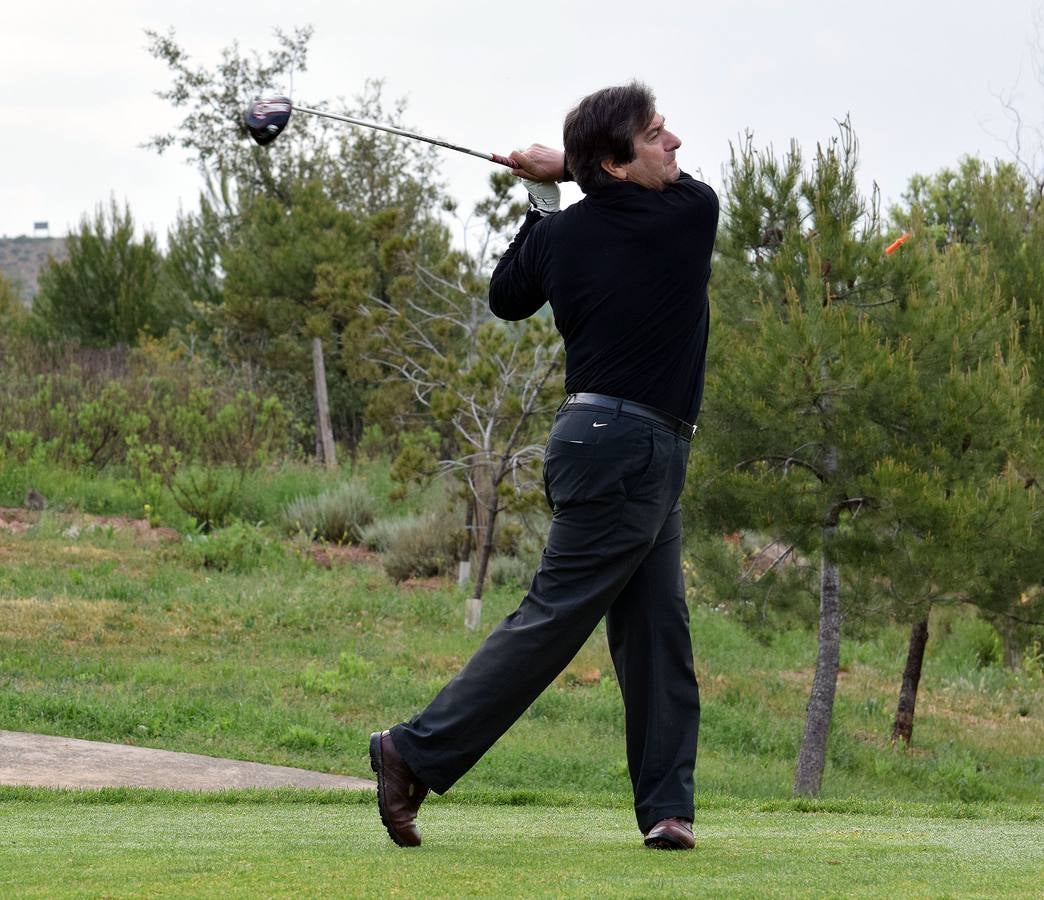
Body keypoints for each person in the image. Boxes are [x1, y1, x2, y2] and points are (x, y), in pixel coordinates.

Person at [370, 81, 719, 851]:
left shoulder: (570, 232)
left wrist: (550, 194)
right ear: (619, 165)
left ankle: (667, 809)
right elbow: (506, 297)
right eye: (657, 134)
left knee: (659, 628)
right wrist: (560, 172)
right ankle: (411, 751)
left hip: (624, 449)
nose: (676, 143)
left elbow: (507, 294)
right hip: (625, 450)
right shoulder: (688, 214)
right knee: (555, 620)